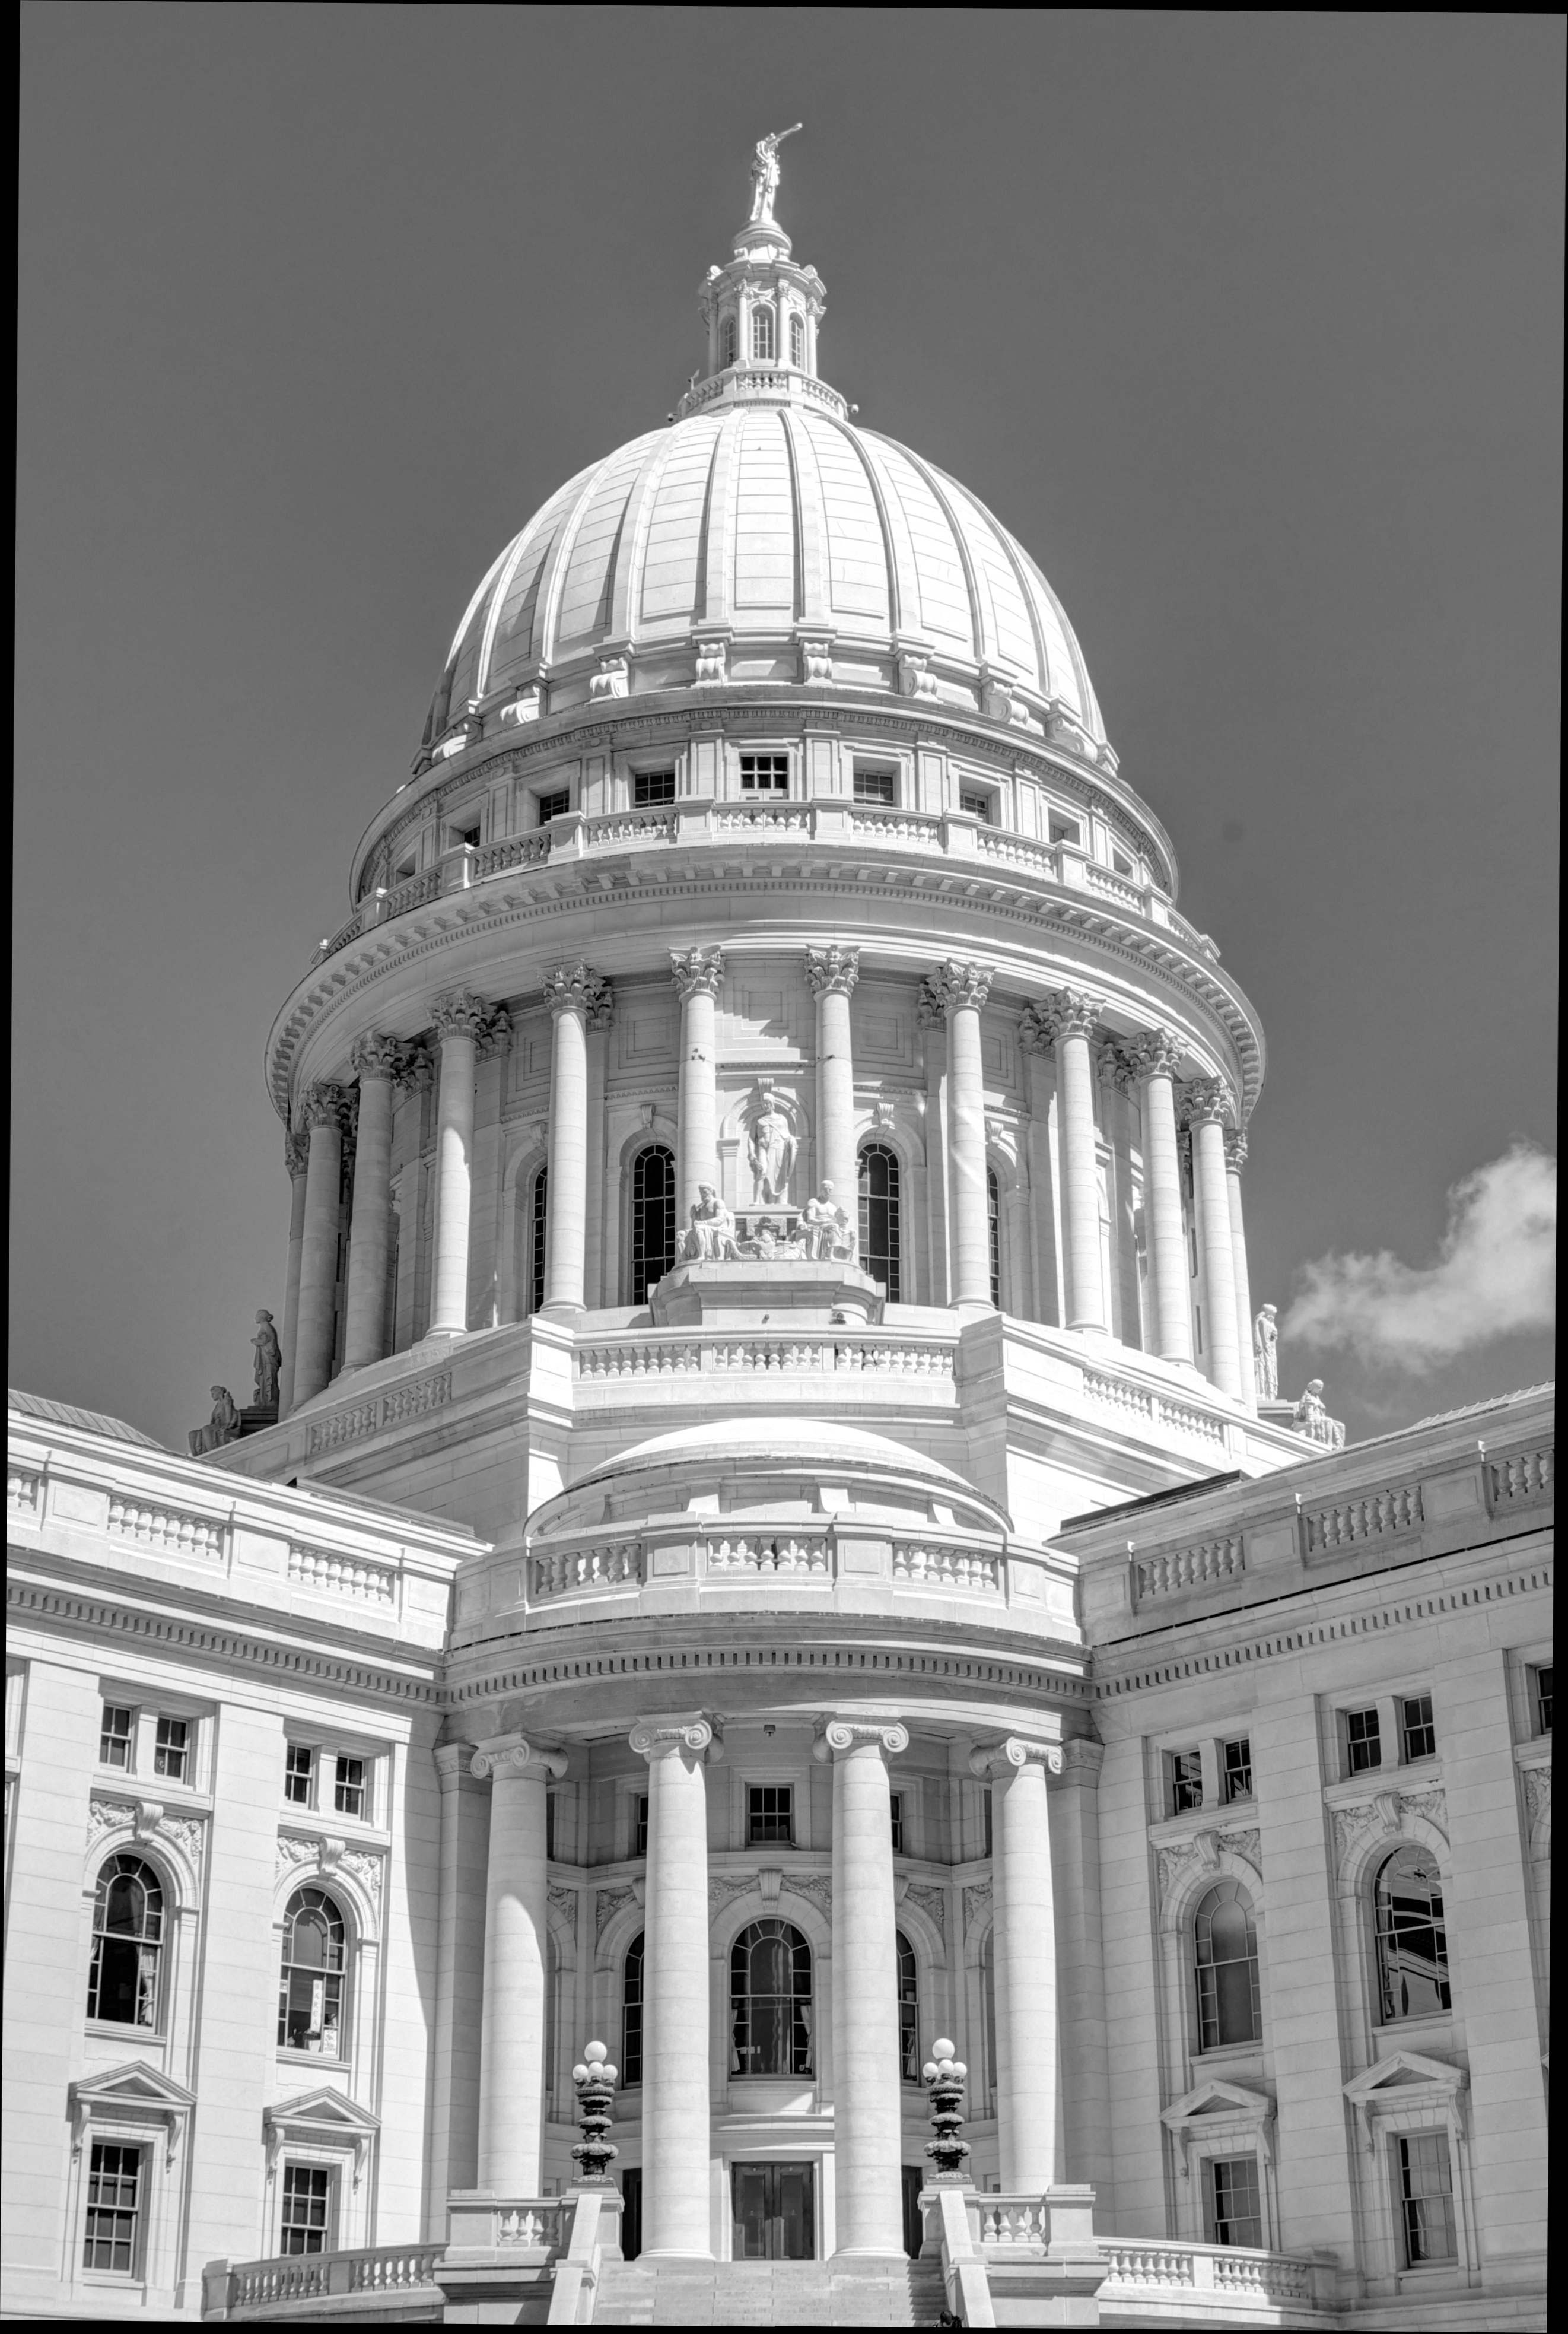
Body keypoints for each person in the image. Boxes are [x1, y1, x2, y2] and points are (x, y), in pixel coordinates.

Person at [680, 1185, 743, 1262]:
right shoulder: (701, 1207)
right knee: (680, 1234)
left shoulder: (718, 1202)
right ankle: (684, 1259)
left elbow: (720, 1220)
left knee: (699, 1229)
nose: (702, 1195)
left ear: (711, 1192)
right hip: (705, 1228)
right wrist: (693, 1217)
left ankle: (702, 1256)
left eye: (705, 1192)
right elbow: (694, 1227)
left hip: (718, 1228)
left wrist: (702, 1223)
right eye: (701, 1193)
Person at [800, 1180, 856, 1263]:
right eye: (825, 1189)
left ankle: (848, 1257)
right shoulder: (814, 1202)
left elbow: (838, 1222)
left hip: (830, 1227)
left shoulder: (833, 1207)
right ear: (821, 1190)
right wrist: (826, 1221)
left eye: (830, 1189)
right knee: (834, 1227)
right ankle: (830, 1254)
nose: (828, 1191)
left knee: (852, 1232)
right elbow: (810, 1220)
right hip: (817, 1226)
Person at [188, 1387, 240, 1457]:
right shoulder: (217, 1406)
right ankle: (197, 1456)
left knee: (206, 1429)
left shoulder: (226, 1401)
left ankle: (212, 1453)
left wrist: (228, 1425)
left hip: (222, 1425)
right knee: (193, 1434)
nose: (212, 1396)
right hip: (215, 1426)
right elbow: (212, 1421)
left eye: (213, 1394)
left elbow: (231, 1414)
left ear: (219, 1393)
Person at [252, 1309, 282, 1408]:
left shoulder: (266, 1326)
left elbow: (267, 1342)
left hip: (268, 1359)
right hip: (265, 1358)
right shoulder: (265, 1326)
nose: (255, 1318)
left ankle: (270, 1402)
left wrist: (254, 1341)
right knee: (265, 1380)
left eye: (257, 1315)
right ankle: (265, 1401)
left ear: (262, 1317)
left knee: (269, 1380)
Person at [1252, 1303, 1279, 1400]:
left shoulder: (1270, 1323)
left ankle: (1269, 1395)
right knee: (1266, 1370)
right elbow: (1265, 1339)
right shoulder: (1263, 1322)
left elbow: (1272, 1338)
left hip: (1271, 1351)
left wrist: (1273, 1336)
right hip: (1266, 1351)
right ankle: (1266, 1394)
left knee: (1271, 1371)